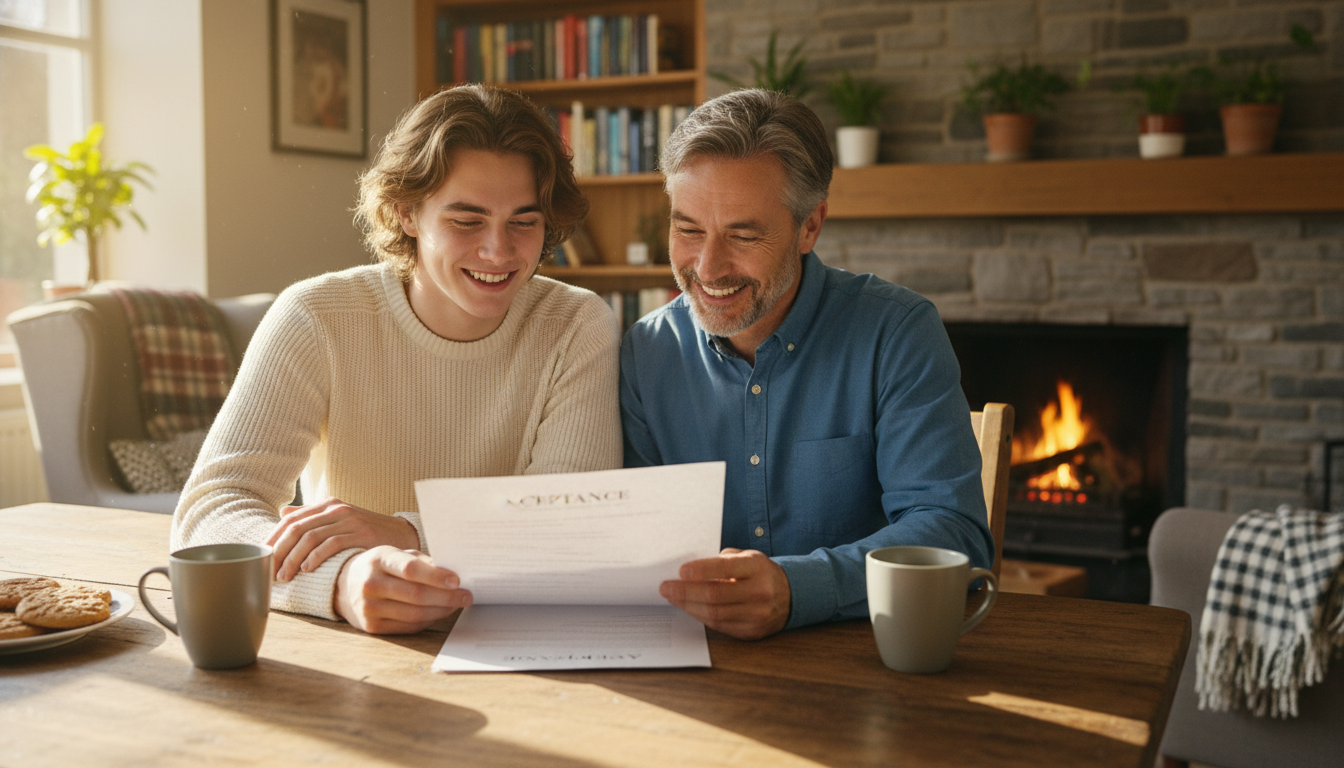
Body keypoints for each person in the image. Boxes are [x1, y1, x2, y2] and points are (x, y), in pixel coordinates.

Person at [173, 85, 622, 635]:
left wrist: (406, 534)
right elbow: (212, 509)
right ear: (406, 212)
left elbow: (574, 523)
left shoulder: (576, 323)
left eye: (524, 221)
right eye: (467, 220)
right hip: (353, 645)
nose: (499, 251)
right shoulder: (317, 316)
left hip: (521, 638)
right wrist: (340, 581)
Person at [621, 89, 993, 640]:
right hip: (697, 670)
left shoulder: (896, 332)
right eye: (688, 229)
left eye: (743, 234)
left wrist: (800, 587)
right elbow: (631, 543)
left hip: (867, 667)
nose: (708, 266)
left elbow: (952, 533)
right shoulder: (645, 352)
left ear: (810, 227)